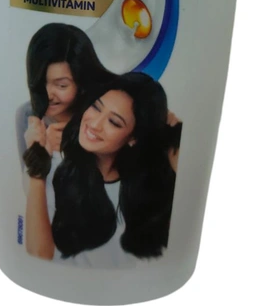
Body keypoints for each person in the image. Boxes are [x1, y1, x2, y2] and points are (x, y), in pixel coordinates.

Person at [24, 72, 182, 267]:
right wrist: (37, 168)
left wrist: (174, 135)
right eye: (96, 107)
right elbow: (39, 253)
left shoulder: (150, 188)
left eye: (113, 122)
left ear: (133, 138)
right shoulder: (54, 166)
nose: (94, 124)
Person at [16, 23, 113, 179]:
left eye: (61, 85)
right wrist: (41, 153)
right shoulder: (28, 115)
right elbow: (29, 188)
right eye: (41, 82)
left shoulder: (102, 111)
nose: (48, 95)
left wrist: (74, 149)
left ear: (81, 82)